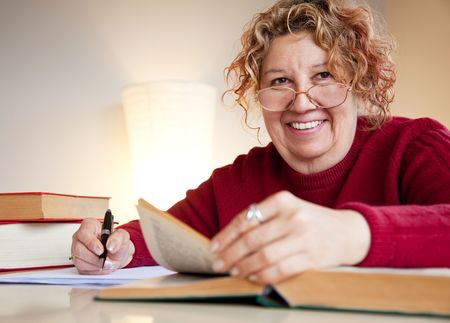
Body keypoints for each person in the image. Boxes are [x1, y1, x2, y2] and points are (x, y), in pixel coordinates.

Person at [71, 0, 450, 284]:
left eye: (323, 75)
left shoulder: (416, 145)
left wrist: (349, 232)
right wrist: (117, 245)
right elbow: (166, 235)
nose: (301, 102)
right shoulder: (236, 181)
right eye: (280, 81)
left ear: (358, 82)